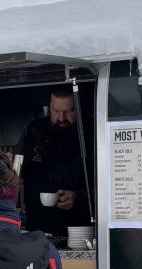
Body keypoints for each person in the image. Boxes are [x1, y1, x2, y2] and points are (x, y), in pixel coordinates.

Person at [15, 84, 93, 236]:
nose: (61, 118)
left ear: (78, 108)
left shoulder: (92, 132)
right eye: (56, 111)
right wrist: (11, 164)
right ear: (49, 107)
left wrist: (80, 197)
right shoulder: (33, 131)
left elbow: (111, 186)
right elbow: (15, 172)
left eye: (69, 111)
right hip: (37, 230)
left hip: (80, 231)